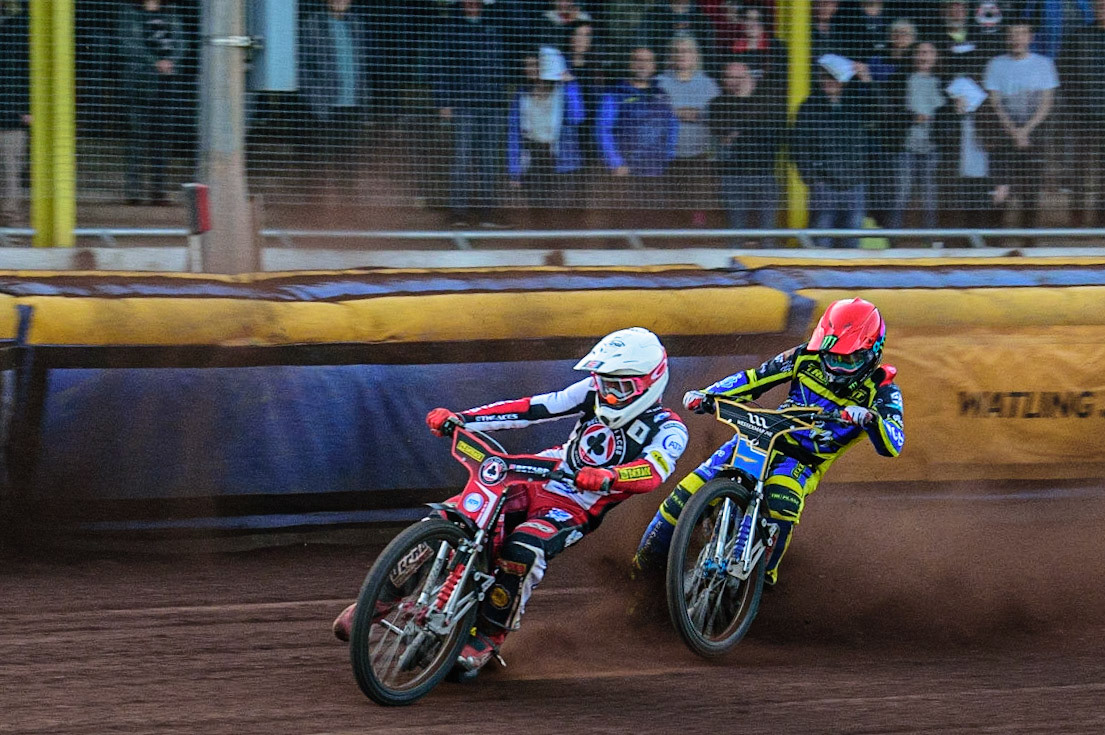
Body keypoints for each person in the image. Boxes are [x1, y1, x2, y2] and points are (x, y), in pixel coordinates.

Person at [332, 327, 689, 674]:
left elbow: (653, 471)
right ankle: (377, 600)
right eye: (604, 383)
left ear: (649, 383)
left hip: (576, 505)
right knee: (455, 515)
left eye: (619, 387)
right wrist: (464, 420)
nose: (608, 393)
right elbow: (533, 409)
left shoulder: (669, 429)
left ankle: (487, 638)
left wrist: (610, 476)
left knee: (523, 549)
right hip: (539, 475)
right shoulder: (590, 392)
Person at [633, 298, 905, 587]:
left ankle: (763, 579)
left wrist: (871, 420)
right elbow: (755, 378)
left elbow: (894, 442)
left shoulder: (884, 391)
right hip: (760, 435)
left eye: (848, 360)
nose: (836, 367)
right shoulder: (803, 357)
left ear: (873, 353)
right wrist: (708, 394)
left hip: (804, 461)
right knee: (684, 494)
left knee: (781, 499)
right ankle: (640, 570)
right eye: (831, 356)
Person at [433, 0, 509, 228]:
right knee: (462, 158)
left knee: (489, 160)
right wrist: (444, 101)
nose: (473, 4)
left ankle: (488, 213)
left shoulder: (495, 25)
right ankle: (458, 213)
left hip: (492, 103)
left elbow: (501, 64)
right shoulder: (451, 28)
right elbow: (441, 66)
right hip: (464, 104)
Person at [983, 22, 1058, 231]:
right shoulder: (995, 64)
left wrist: (1026, 130)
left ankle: (1029, 240)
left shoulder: (1045, 64)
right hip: (1003, 141)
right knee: (1000, 193)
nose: (1017, 38)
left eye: (1022, 33)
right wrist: (1013, 130)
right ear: (1007, 38)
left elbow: (1047, 102)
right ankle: (995, 241)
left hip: (1034, 139)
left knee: (1030, 193)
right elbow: (994, 102)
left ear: (1030, 37)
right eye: (1012, 34)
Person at [791, 60, 874, 248]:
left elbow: (881, 112)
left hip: (854, 182)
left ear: (843, 80)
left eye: (834, 77)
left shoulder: (856, 104)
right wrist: (812, 179)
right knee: (822, 235)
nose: (829, 81)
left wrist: (867, 81)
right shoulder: (808, 107)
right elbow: (799, 146)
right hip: (824, 184)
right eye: (825, 76)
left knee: (852, 235)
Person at [298, 0, 373, 191]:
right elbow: (302, 66)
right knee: (318, 163)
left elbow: (363, 65)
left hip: (352, 107)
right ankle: (316, 211)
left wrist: (364, 98)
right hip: (324, 108)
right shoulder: (313, 24)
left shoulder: (356, 24)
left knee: (348, 164)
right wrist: (315, 98)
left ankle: (347, 211)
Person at [708, 60, 785, 245]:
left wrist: (740, 130)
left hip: (764, 175)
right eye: (728, 77)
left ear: (750, 78)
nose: (733, 81)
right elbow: (724, 134)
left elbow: (776, 136)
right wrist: (752, 122)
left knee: (767, 236)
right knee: (735, 234)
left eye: (738, 77)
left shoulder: (769, 102)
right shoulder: (718, 104)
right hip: (733, 177)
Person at [596, 47, 679, 219]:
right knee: (623, 224)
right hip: (625, 172)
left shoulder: (661, 93)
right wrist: (616, 162)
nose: (642, 65)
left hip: (655, 171)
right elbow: (603, 129)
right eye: (638, 60)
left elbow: (672, 124)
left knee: (655, 223)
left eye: (647, 61)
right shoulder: (615, 93)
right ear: (630, 64)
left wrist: (667, 155)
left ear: (654, 66)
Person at [119, 0, 184, 206]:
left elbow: (182, 43)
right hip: (140, 81)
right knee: (139, 136)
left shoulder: (170, 13)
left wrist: (171, 60)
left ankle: (159, 190)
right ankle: (134, 190)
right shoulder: (130, 12)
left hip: (166, 82)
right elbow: (127, 44)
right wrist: (154, 62)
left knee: (162, 138)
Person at [506, 48, 585, 209]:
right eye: (527, 65)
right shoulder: (521, 94)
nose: (531, 69)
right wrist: (514, 169)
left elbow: (577, 117)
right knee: (537, 211)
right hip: (533, 159)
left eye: (535, 64)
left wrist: (570, 84)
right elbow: (514, 133)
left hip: (561, 160)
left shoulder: (563, 90)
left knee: (563, 213)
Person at [656, 37, 720, 226]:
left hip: (699, 156)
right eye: (678, 51)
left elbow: (718, 117)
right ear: (671, 56)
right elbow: (652, 114)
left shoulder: (709, 85)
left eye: (687, 51)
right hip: (665, 155)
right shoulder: (660, 82)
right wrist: (677, 113)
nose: (682, 55)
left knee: (697, 211)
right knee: (668, 210)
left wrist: (697, 114)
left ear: (695, 56)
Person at [888, 42, 946, 230]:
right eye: (920, 52)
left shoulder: (943, 82)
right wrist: (913, 117)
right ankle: (893, 240)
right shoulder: (901, 80)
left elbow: (947, 116)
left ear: (935, 57)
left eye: (929, 52)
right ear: (913, 56)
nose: (924, 56)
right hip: (907, 148)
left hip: (932, 149)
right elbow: (892, 113)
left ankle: (933, 241)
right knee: (900, 196)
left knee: (930, 198)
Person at [0, 0, 29, 227]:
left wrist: (27, 108)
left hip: (10, 115)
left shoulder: (16, 31)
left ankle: (11, 220)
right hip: (11, 113)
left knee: (11, 172)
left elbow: (24, 73)